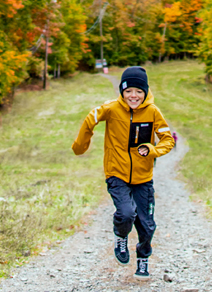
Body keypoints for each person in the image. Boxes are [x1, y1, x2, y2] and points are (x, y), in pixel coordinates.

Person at [72, 66, 175, 281]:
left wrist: (153, 150)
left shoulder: (153, 112)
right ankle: (120, 235)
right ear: (122, 91)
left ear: (145, 92)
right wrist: (80, 146)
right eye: (128, 91)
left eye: (139, 91)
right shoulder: (111, 108)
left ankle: (143, 261)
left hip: (143, 177)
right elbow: (91, 118)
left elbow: (168, 139)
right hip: (116, 173)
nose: (133, 96)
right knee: (126, 214)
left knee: (147, 224)